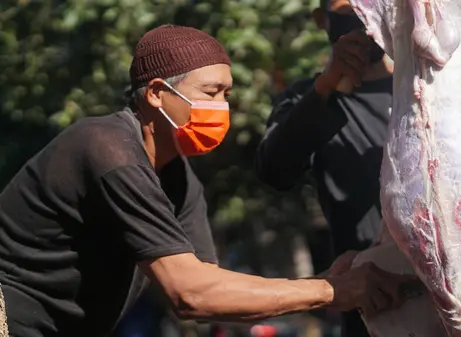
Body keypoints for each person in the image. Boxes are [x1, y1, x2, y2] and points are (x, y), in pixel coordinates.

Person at [0, 25, 419, 337]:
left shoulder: (179, 179)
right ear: (156, 94)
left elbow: (216, 290)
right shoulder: (106, 148)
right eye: (210, 92)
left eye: (226, 94)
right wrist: (332, 291)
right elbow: (190, 294)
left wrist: (326, 278)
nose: (221, 107)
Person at [254, 0, 394, 336]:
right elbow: (275, 170)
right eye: (347, 10)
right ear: (322, 20)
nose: (360, 21)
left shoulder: (425, 90)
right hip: (371, 308)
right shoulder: (308, 98)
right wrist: (325, 86)